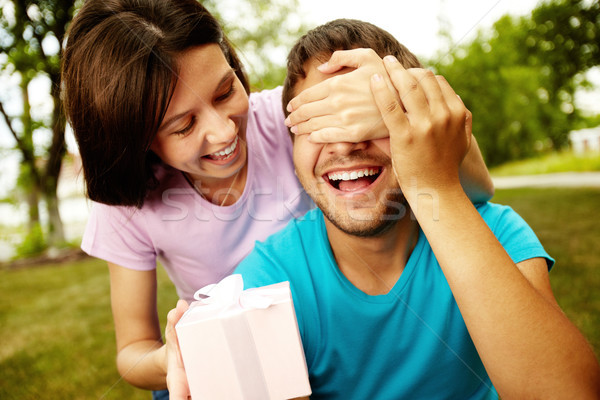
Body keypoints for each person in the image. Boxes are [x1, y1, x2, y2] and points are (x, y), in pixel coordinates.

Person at [61, 1, 493, 397]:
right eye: (184, 126)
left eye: (225, 91)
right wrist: (179, 356)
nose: (225, 131)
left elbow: (475, 189)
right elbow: (133, 348)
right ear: (139, 141)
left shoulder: (290, 116)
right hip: (229, 365)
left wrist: (398, 99)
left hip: (332, 341)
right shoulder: (127, 203)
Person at [167, 19, 600, 399]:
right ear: (290, 146)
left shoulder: (495, 232)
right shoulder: (270, 278)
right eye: (320, 123)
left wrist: (432, 183)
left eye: (370, 119)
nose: (347, 142)